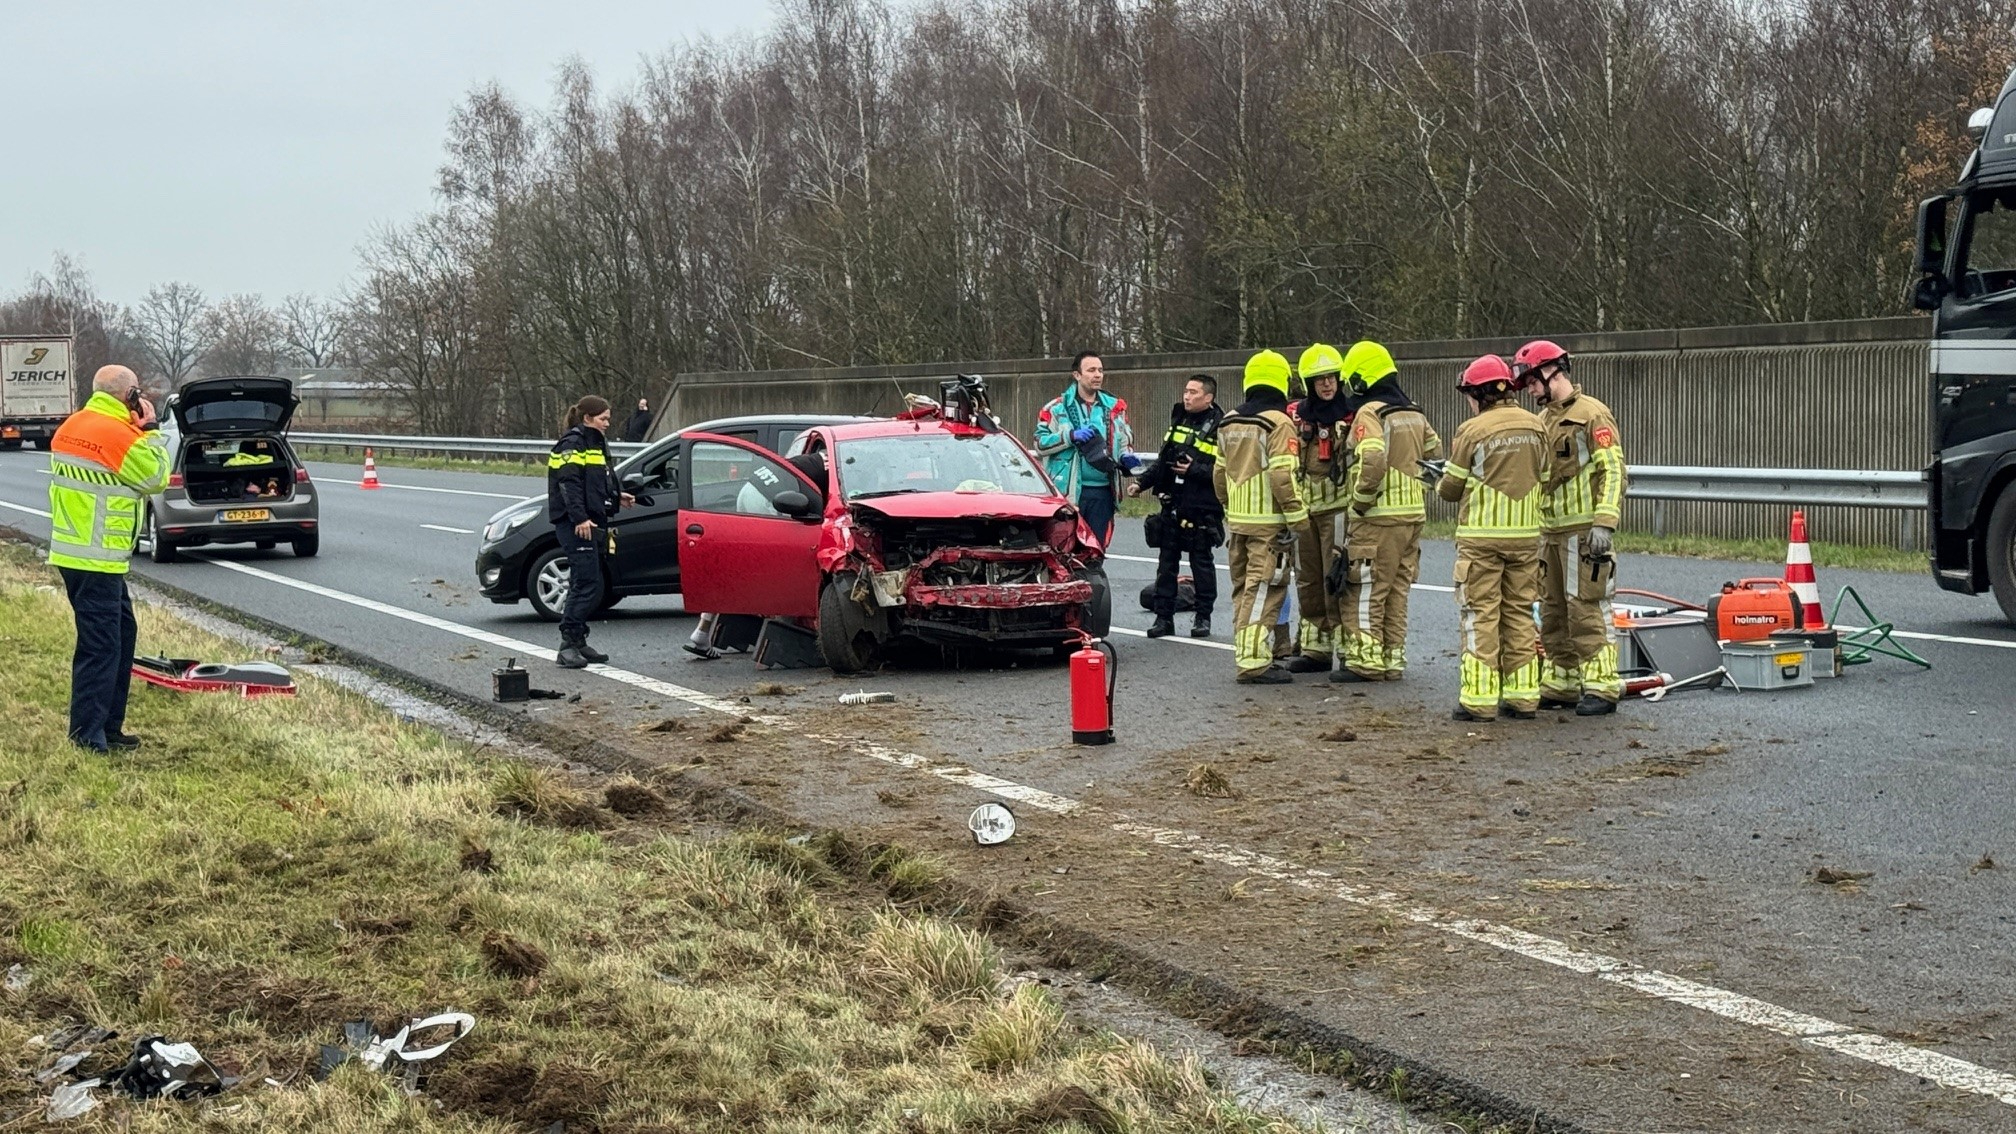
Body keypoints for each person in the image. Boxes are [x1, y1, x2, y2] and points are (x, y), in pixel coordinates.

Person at [48, 364, 169, 753]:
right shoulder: (120, 435)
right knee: (102, 646)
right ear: (129, 395)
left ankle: (108, 728)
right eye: (137, 394)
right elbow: (155, 479)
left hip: (77, 551)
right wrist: (150, 431)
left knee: (120, 635)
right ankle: (88, 736)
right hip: (97, 555)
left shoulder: (75, 425)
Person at [1515, 339, 1627, 716]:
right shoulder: (1543, 420)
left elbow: (1613, 470)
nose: (1529, 389)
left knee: (1586, 611)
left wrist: (1604, 523)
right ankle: (1562, 682)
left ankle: (1602, 686)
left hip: (1583, 533)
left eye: (1532, 380)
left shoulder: (1592, 414)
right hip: (1550, 533)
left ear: (1552, 372)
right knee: (1553, 611)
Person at [1436, 355, 1546, 721]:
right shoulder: (1537, 426)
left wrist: (1438, 483)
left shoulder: (1472, 430)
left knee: (1479, 615)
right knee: (1519, 615)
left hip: (1481, 538)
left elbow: (1451, 488)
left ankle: (1479, 701)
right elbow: (1544, 474)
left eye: (1469, 394)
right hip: (1527, 537)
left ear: (1481, 394)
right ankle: (1524, 697)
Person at [1334, 340, 1441, 683]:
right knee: (1397, 589)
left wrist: (1360, 502)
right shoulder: (1414, 411)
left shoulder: (1371, 413)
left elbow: (1373, 459)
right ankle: (1391, 660)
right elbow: (1435, 460)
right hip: (1412, 516)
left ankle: (1365, 662)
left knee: (1365, 589)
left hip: (1377, 517)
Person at [1214, 350, 1306, 685]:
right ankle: (1253, 662)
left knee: (1242, 589)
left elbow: (1219, 474)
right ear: (1281, 381)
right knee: (1264, 589)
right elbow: (1283, 478)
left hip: (1238, 521)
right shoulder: (1278, 423)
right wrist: (1298, 520)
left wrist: (1229, 507)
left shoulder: (1229, 420)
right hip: (1269, 524)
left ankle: (1248, 652)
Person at [1129, 374, 1224, 639]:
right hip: (1172, 503)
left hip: (1202, 507)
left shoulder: (1221, 426)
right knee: (1166, 565)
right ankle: (1163, 619)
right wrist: (1141, 483)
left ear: (1209, 397)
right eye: (1186, 391)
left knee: (1201, 565)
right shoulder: (1179, 418)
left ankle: (1203, 618)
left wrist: (1195, 470)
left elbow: (1224, 470)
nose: (1187, 396)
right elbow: (1163, 460)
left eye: (1194, 392)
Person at [547, 395, 632, 669]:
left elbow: (595, 482)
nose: (608, 423)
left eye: (608, 418)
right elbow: (569, 485)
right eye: (603, 418)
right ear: (587, 418)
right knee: (586, 582)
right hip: (576, 524)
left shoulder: (594, 442)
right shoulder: (572, 443)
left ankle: (579, 640)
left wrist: (617, 496)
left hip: (593, 521)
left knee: (589, 581)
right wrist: (580, 518)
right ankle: (567, 644)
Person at [1283, 344, 1354, 673]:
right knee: (1307, 579)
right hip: (1304, 513)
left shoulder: (1353, 414)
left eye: (1332, 378)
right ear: (1309, 383)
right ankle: (1316, 648)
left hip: (1338, 512)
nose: (1327, 384)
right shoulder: (1297, 416)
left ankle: (1345, 648)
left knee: (1335, 578)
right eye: (1320, 379)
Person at [1034, 351, 1132, 546]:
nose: (1098, 375)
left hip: (1103, 491)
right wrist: (1069, 436)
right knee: (1064, 549)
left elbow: (1124, 442)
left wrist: (1126, 457)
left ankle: (1093, 576)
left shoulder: (1115, 408)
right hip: (1067, 493)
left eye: (1101, 370)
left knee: (1096, 549)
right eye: (1091, 370)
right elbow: (1039, 444)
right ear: (1077, 375)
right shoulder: (1055, 408)